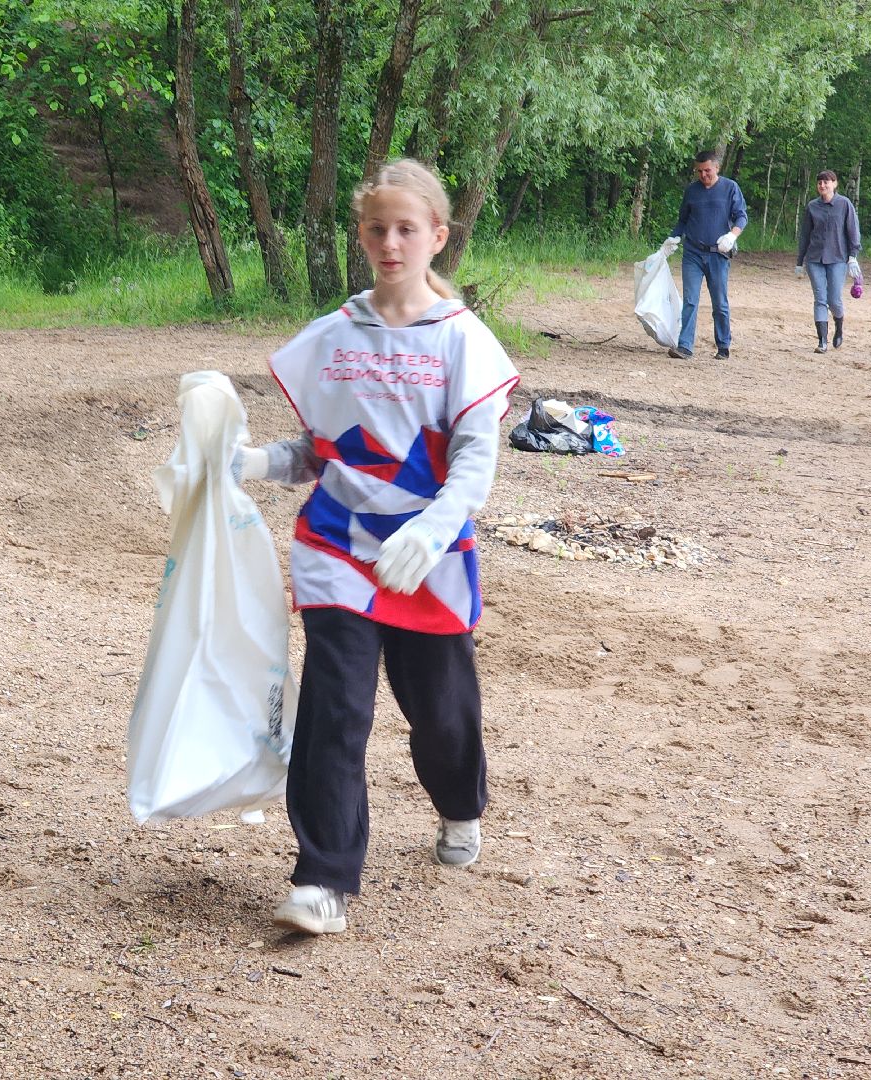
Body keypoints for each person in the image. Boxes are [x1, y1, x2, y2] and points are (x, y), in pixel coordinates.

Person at [235, 159, 519, 936]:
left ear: (437, 236)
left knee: (441, 714)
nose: (390, 243)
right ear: (360, 236)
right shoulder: (334, 336)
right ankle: (323, 878)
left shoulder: (463, 342)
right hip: (338, 550)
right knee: (336, 709)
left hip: (431, 561)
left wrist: (432, 531)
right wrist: (255, 463)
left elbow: (474, 460)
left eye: (406, 229)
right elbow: (320, 450)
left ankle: (461, 806)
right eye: (375, 228)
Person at [660, 150, 747, 360]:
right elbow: (683, 220)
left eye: (707, 170)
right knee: (690, 299)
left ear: (717, 167)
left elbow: (741, 217)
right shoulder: (691, 191)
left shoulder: (730, 188)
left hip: (718, 254)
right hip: (693, 253)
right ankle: (685, 346)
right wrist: (673, 238)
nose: (703, 175)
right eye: (699, 171)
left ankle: (723, 345)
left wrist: (732, 236)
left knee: (719, 302)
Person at [794, 170, 862, 353]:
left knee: (834, 299)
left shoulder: (844, 204)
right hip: (814, 259)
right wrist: (800, 262)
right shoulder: (812, 207)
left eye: (826, 182)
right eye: (819, 183)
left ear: (834, 184)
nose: (822, 186)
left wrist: (853, 256)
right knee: (820, 298)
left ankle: (839, 327)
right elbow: (805, 235)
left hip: (838, 258)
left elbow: (852, 231)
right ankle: (822, 341)